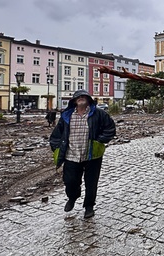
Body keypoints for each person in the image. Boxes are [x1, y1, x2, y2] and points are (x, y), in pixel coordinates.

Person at [49, 90, 116, 218]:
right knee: (70, 181)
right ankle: (73, 197)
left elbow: (110, 128)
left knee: (91, 182)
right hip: (71, 154)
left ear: (88, 99)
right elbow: (57, 134)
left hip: (92, 154)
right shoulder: (66, 116)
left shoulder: (98, 114)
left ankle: (89, 206)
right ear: (74, 101)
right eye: (78, 97)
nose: (80, 98)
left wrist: (100, 140)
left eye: (83, 96)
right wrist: (56, 147)